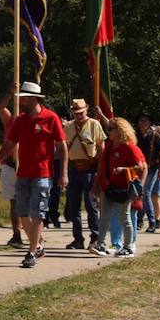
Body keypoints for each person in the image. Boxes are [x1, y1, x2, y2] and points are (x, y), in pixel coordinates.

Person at [0, 82, 67, 268]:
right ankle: (38, 245)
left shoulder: (51, 118)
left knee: (37, 213)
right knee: (22, 212)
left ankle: (31, 252)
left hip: (43, 174)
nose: (21, 101)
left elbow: (62, 147)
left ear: (33, 98)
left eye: (24, 98)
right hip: (23, 174)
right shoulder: (20, 120)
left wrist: (64, 173)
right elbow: (10, 144)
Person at [93, 117, 146, 256]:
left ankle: (128, 246)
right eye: (108, 128)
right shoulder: (109, 146)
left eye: (111, 128)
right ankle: (101, 245)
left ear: (120, 130)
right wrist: (97, 184)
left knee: (125, 217)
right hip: (108, 187)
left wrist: (123, 169)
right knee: (104, 217)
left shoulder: (129, 147)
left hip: (123, 189)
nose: (108, 131)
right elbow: (102, 166)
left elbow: (140, 167)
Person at [63, 99, 105, 249]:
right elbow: (64, 148)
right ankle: (78, 239)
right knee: (73, 206)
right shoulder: (68, 126)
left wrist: (100, 170)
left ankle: (95, 237)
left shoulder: (94, 124)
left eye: (81, 112)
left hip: (90, 169)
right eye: (76, 113)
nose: (79, 115)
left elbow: (101, 148)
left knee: (91, 205)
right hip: (73, 168)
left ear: (86, 109)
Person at [135, 114, 160, 235]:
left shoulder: (155, 136)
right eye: (141, 120)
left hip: (152, 168)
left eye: (146, 120)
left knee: (146, 193)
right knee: (140, 193)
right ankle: (139, 220)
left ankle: (152, 222)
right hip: (139, 168)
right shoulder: (136, 136)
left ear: (150, 123)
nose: (143, 123)